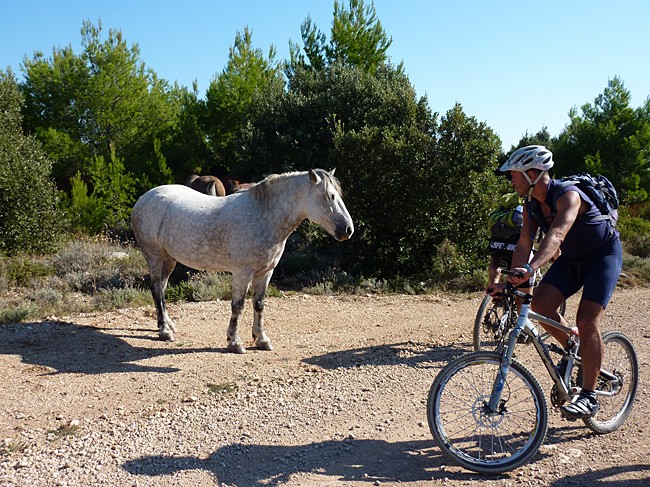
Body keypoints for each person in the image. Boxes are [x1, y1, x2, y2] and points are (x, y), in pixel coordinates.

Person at [489, 145, 623, 420]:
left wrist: (531, 268)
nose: (511, 180)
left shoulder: (568, 196)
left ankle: (587, 396)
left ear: (533, 173)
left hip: (602, 256)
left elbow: (558, 234)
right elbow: (524, 242)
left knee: (586, 320)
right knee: (540, 303)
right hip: (573, 260)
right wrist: (514, 281)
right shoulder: (531, 205)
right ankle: (573, 349)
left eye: (514, 174)